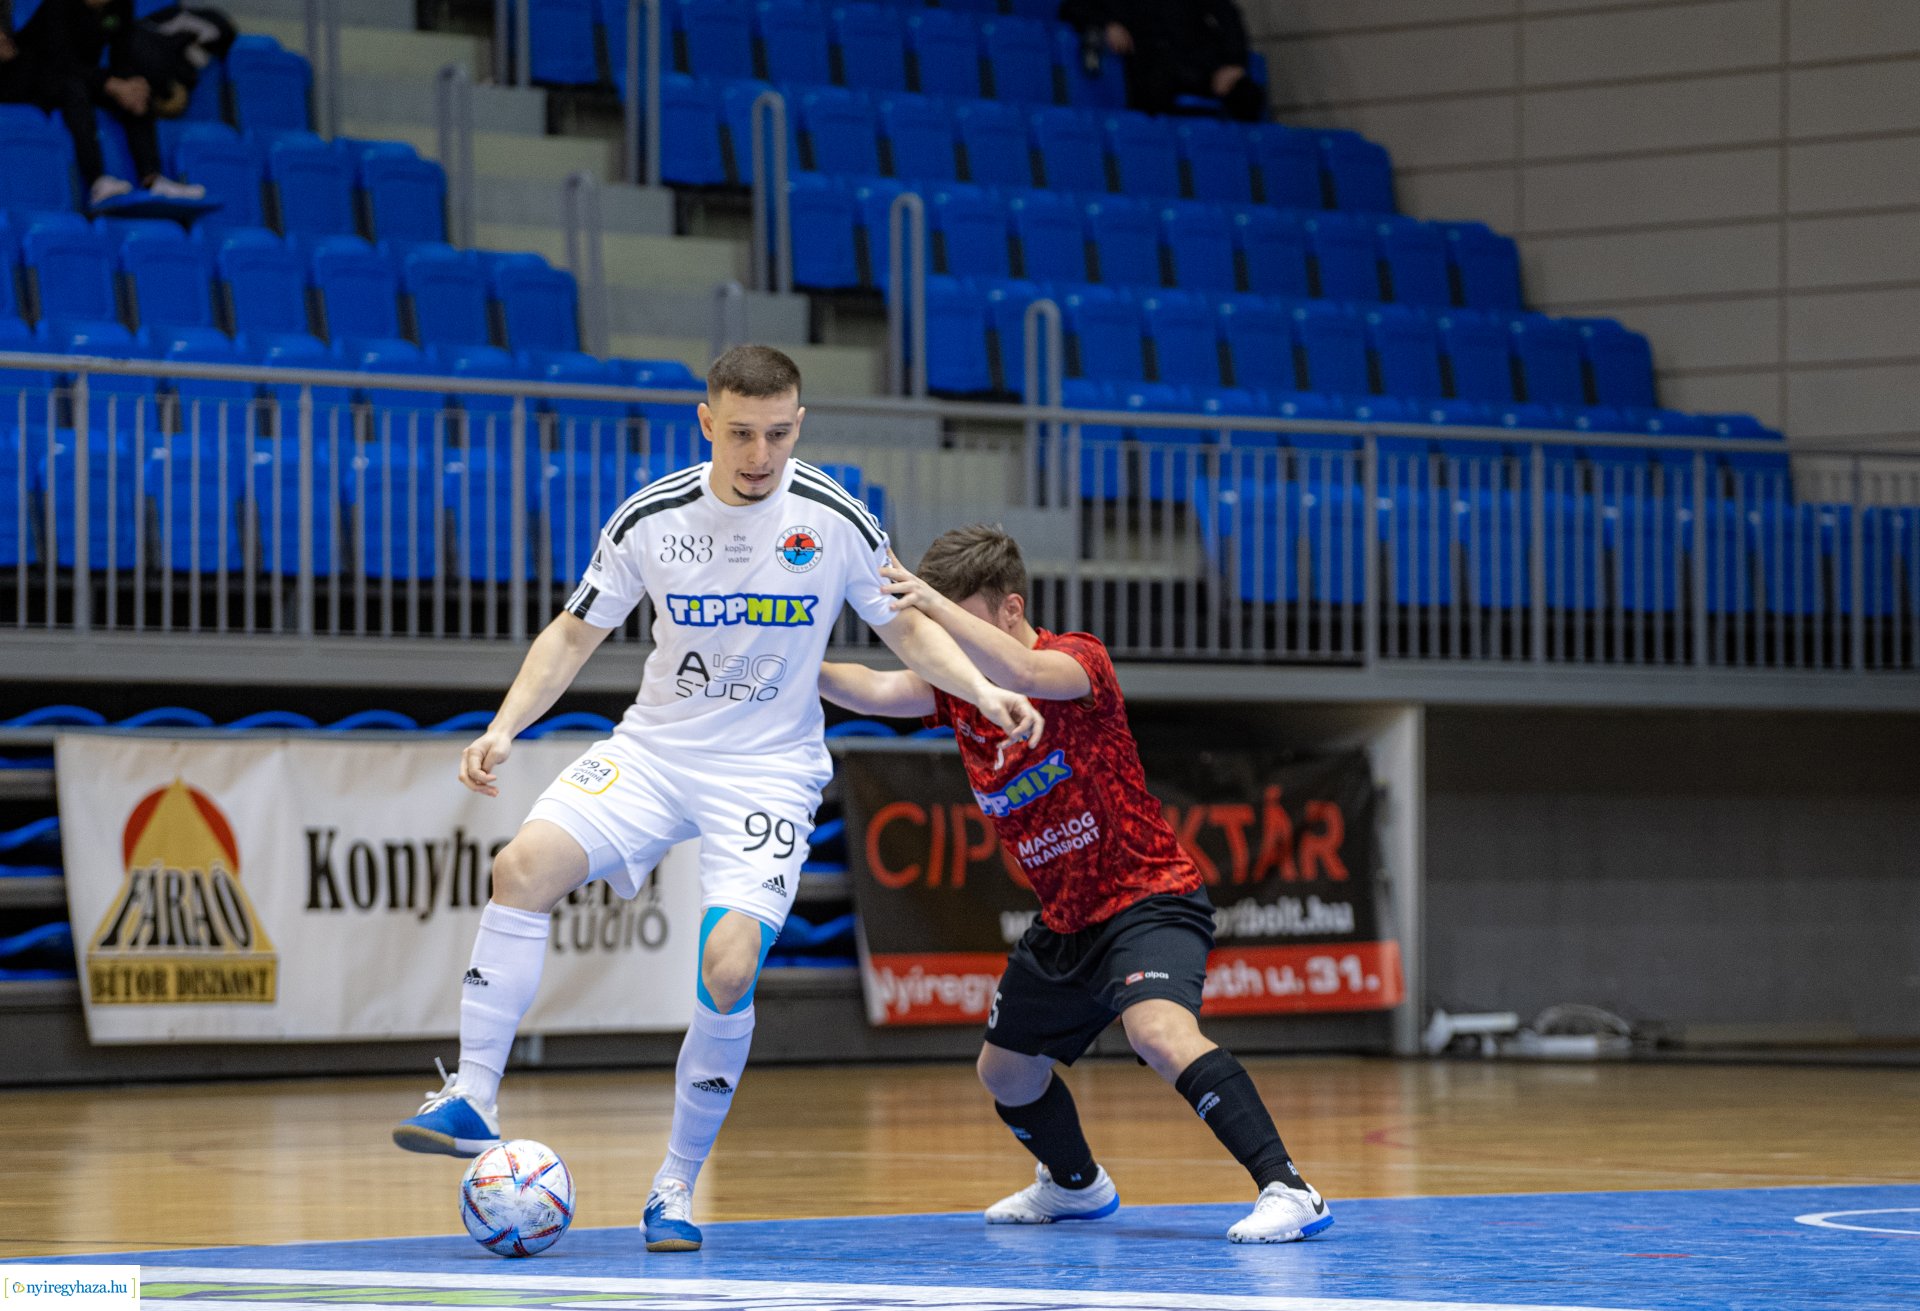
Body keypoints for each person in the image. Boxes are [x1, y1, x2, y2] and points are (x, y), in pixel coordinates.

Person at [391, 348, 1046, 1254]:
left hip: (768, 772)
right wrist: (506, 726)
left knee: (729, 968)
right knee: (521, 867)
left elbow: (907, 630)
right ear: (707, 422)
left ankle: (673, 1185)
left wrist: (980, 690)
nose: (759, 452)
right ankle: (472, 1093)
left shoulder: (836, 518)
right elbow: (572, 632)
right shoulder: (652, 517)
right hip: (657, 751)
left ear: (799, 425)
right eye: (740, 432)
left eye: (778, 432)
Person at [818, 525, 1331, 1244]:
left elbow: (1026, 673)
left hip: (1147, 897)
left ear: (1007, 608)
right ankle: (1076, 1184)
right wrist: (787, 655)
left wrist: (928, 599)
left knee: (1156, 1030)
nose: (944, 642)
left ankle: (1289, 1186)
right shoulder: (962, 693)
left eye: (954, 619)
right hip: (1065, 921)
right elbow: (874, 687)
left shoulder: (1076, 662)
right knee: (1006, 1073)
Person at [0, 0, 207, 207]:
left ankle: (153, 178)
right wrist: (112, 84)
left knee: (137, 91)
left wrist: (130, 84)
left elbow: (122, 55)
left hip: (82, 75)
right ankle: (96, 182)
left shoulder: (121, 5)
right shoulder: (57, 6)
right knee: (76, 92)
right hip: (33, 76)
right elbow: (59, 61)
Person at [1059, 0, 1268, 123]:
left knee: (1247, 95)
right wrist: (1108, 25)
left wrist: (1234, 64)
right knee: (1154, 90)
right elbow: (1073, 6)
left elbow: (1227, 13)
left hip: (1201, 63)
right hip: (1152, 66)